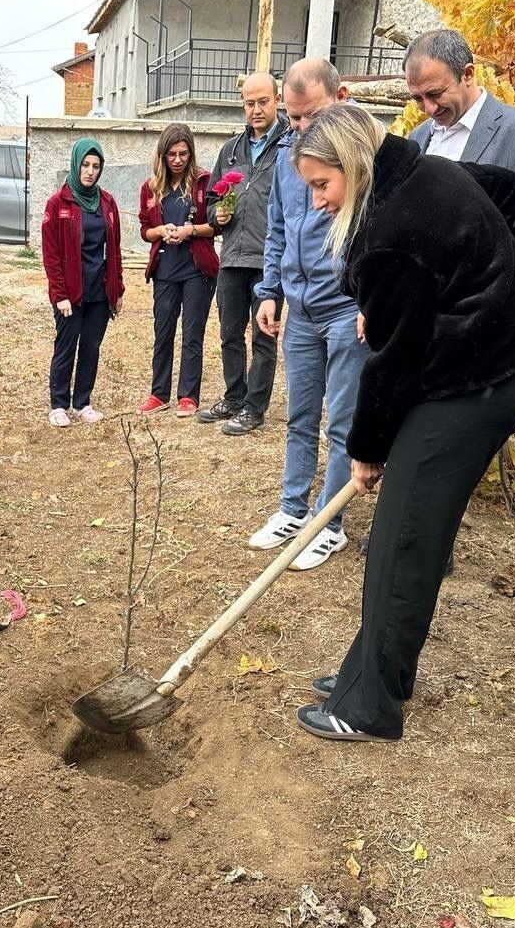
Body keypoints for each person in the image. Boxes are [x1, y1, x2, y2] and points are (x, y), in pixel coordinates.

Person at [290, 104, 515, 742]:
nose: (318, 202)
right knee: (406, 539)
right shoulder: (424, 170)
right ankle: (373, 674)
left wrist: (367, 448)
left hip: (466, 390)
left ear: (355, 164)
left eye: (323, 184)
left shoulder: (386, 233)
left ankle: (368, 707)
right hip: (491, 372)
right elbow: (507, 189)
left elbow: (393, 362)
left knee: (403, 542)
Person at [247, 59, 365, 571]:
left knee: (340, 423)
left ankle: (328, 525)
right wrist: (269, 291)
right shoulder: (286, 160)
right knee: (299, 416)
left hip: (345, 310)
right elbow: (277, 229)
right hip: (300, 309)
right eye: (293, 118)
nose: (300, 128)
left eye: (311, 116)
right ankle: (293, 511)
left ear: (341, 98)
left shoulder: (364, 161)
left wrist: (369, 301)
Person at [196, 71, 291, 436]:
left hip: (269, 260)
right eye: (249, 104)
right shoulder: (231, 150)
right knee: (229, 333)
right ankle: (234, 396)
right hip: (233, 257)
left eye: (263, 102)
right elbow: (212, 201)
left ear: (277, 100)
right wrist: (215, 215)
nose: (256, 110)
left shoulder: (289, 146)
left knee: (263, 337)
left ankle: (254, 407)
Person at [405, 28, 515, 234]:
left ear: (468, 74)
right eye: (418, 98)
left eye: (435, 93)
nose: (429, 109)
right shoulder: (418, 137)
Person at [137, 123, 220, 416]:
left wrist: (190, 231)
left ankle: (188, 395)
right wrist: (160, 230)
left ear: (191, 154)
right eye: (171, 154)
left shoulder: (204, 182)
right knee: (163, 332)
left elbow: (217, 226)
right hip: (165, 270)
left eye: (183, 154)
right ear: (162, 155)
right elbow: (145, 230)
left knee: (192, 334)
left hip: (196, 269)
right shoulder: (151, 188)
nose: (177, 160)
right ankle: (159, 393)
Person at [41, 137, 125, 426]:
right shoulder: (58, 203)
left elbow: (115, 250)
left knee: (91, 346)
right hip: (70, 292)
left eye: (96, 166)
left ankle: (82, 403)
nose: (90, 171)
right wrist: (60, 294)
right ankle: (58, 405)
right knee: (66, 346)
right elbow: (51, 254)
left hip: (99, 290)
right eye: (85, 165)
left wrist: (117, 289)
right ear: (76, 164)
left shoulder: (107, 203)